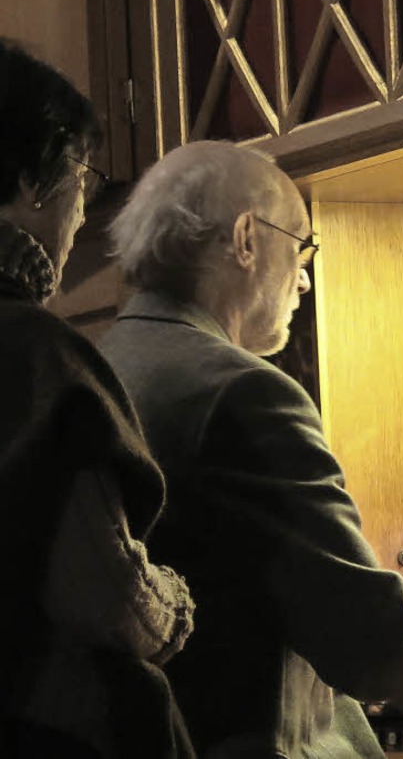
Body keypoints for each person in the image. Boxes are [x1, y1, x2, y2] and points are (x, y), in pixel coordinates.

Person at [101, 139, 403, 759]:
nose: (302, 277)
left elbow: (263, 581)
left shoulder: (103, 362)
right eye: (300, 247)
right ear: (247, 239)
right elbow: (363, 632)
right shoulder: (242, 391)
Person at [0, 38, 196, 758]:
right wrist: (175, 602)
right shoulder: (30, 351)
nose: (86, 209)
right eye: (83, 172)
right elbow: (111, 598)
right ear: (31, 181)